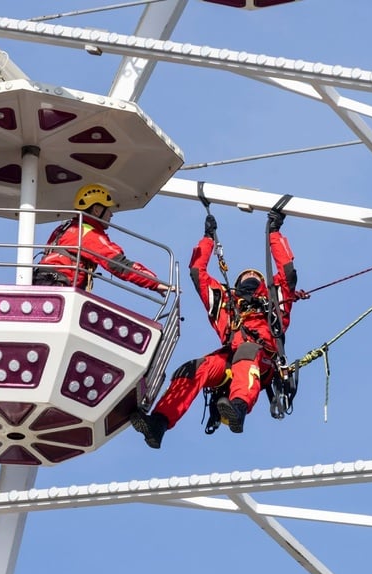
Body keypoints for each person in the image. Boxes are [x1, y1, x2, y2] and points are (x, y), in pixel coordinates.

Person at [130, 207, 299, 449]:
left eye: (254, 278)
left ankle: (238, 409)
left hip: (261, 361)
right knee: (193, 368)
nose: (248, 279)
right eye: (244, 278)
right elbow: (197, 273)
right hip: (230, 360)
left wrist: (274, 232)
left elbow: (287, 273)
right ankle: (159, 423)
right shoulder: (226, 307)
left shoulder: (275, 304)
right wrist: (207, 238)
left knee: (247, 351)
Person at [33, 183, 170, 294]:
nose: (111, 215)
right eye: (108, 209)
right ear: (97, 210)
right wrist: (154, 283)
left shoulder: (64, 228)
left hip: (40, 282)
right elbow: (119, 264)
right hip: (59, 287)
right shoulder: (89, 234)